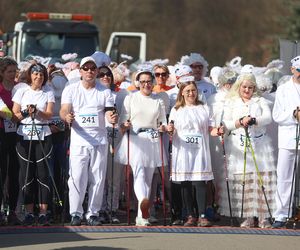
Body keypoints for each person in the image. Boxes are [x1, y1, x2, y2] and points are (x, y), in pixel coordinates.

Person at [60, 56, 117, 226]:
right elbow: (64, 110)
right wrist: (67, 117)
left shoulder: (104, 91)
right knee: (77, 178)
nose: (90, 71)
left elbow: (108, 112)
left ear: (97, 71)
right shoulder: (71, 89)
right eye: (86, 68)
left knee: (98, 179)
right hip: (79, 141)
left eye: (93, 68)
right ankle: (76, 213)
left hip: (99, 141)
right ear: (80, 71)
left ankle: (92, 213)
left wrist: (112, 117)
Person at [221, 73, 276, 228]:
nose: (247, 90)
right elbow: (226, 123)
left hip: (259, 144)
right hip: (239, 144)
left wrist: (253, 120)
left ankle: (263, 217)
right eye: (244, 87)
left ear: (254, 88)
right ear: (239, 87)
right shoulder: (231, 102)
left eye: (250, 87)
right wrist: (239, 122)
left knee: (260, 180)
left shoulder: (259, 100)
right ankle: (247, 216)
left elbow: (268, 117)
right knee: (243, 180)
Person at [115, 66, 167, 226]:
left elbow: (163, 122)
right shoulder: (130, 98)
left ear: (153, 83)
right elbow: (122, 122)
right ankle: (143, 203)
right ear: (138, 83)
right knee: (139, 174)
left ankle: (141, 215)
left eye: (149, 81)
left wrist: (163, 128)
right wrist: (125, 124)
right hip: (135, 139)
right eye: (143, 82)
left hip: (152, 139)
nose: (146, 84)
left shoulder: (158, 100)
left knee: (149, 178)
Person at [167, 79, 222, 227]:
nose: (191, 93)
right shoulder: (176, 109)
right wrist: (170, 130)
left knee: (199, 181)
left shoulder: (204, 108)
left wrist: (218, 131)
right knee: (185, 182)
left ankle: (202, 215)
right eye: (188, 91)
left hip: (199, 150)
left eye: (193, 90)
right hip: (183, 149)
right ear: (182, 93)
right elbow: (171, 128)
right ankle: (190, 215)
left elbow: (211, 128)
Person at [12, 63, 55, 226]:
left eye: (42, 75)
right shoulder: (22, 90)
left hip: (43, 135)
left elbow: (49, 115)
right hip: (24, 135)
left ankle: (44, 212)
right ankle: (29, 212)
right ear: (30, 75)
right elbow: (15, 116)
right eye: (36, 74)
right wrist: (25, 112)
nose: (39, 77)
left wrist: (37, 112)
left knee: (43, 174)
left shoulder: (48, 91)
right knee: (27, 174)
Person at [272, 55, 300, 228]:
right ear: (292, 69)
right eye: (299, 70)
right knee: (284, 178)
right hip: (288, 139)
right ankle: (281, 214)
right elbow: (277, 116)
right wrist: (293, 114)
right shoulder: (283, 89)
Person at [207, 68, 238, 212]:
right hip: (215, 141)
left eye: (232, 82)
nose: (229, 85)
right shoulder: (212, 99)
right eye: (226, 82)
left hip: (232, 139)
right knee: (216, 171)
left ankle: (229, 204)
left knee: (231, 172)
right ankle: (215, 202)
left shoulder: (237, 99)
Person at [0, 57, 21, 226]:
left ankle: (12, 210)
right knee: (1, 172)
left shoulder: (19, 88)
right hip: (1, 133)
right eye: (9, 72)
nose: (13, 75)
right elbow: (6, 113)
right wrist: (14, 116)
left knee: (15, 172)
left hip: (16, 134)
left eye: (15, 71)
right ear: (2, 72)